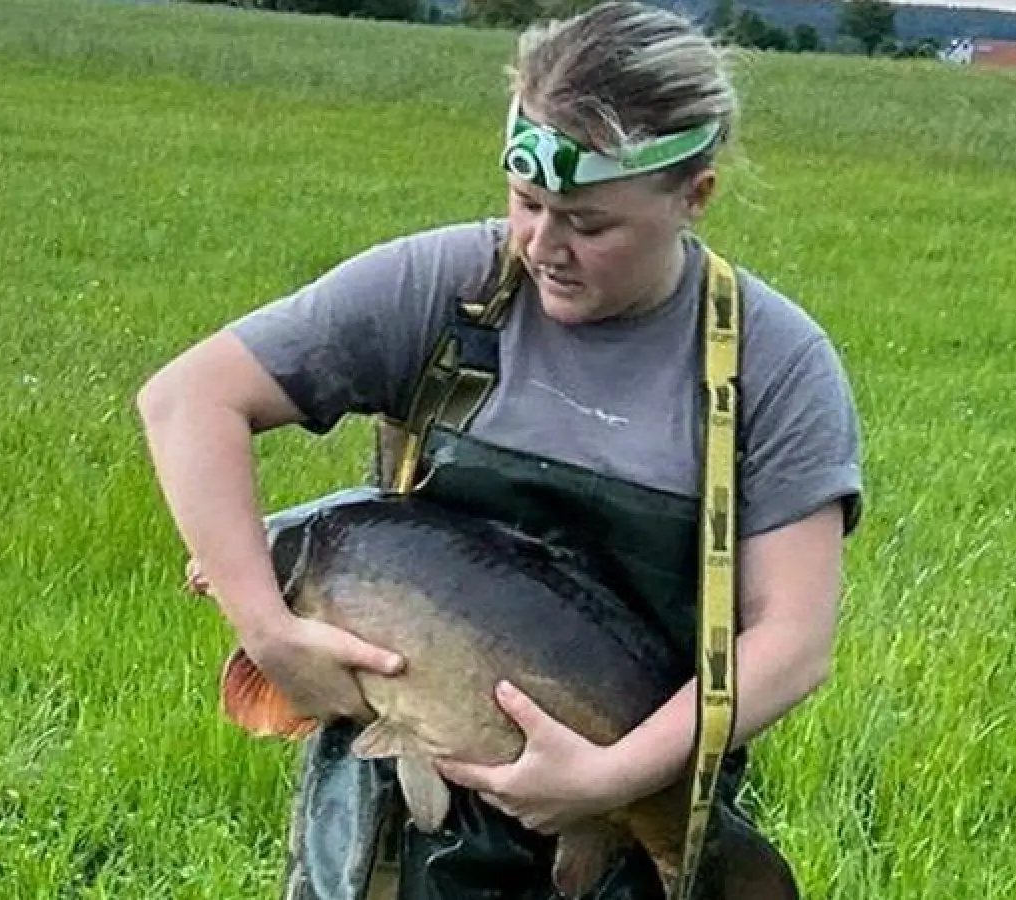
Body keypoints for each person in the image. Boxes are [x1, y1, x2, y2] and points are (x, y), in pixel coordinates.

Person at [135, 3, 864, 898]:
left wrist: (616, 779)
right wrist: (269, 629)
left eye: (590, 225)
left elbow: (792, 640)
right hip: (389, 844)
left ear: (695, 194)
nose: (545, 248)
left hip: (630, 824)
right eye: (527, 204)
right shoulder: (450, 287)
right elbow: (187, 399)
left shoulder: (771, 362)